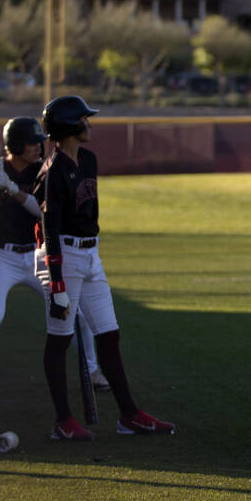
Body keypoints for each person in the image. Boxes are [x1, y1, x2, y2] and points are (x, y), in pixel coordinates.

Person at [34, 95, 174, 440]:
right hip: (62, 257)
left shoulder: (89, 160)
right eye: (84, 119)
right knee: (60, 340)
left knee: (109, 335)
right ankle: (63, 422)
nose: (89, 123)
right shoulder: (52, 173)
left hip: (91, 255)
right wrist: (56, 284)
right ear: (69, 126)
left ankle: (129, 416)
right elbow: (49, 228)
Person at [0, 116, 108, 404]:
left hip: (38, 256)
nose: (39, 146)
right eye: (32, 142)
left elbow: (41, 211)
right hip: (0, 256)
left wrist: (12, 189)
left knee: (76, 313)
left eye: (40, 141)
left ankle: (93, 371)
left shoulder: (42, 171)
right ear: (15, 145)